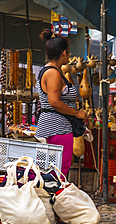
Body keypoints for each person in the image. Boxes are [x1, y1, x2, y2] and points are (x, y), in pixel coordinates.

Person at [37, 29, 86, 177]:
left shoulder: (53, 71)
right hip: (56, 127)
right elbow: (54, 102)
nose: (69, 55)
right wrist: (77, 113)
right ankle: (54, 197)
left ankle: (53, 197)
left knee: (55, 169)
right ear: (64, 53)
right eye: (69, 52)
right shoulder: (52, 73)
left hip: (58, 126)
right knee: (58, 171)